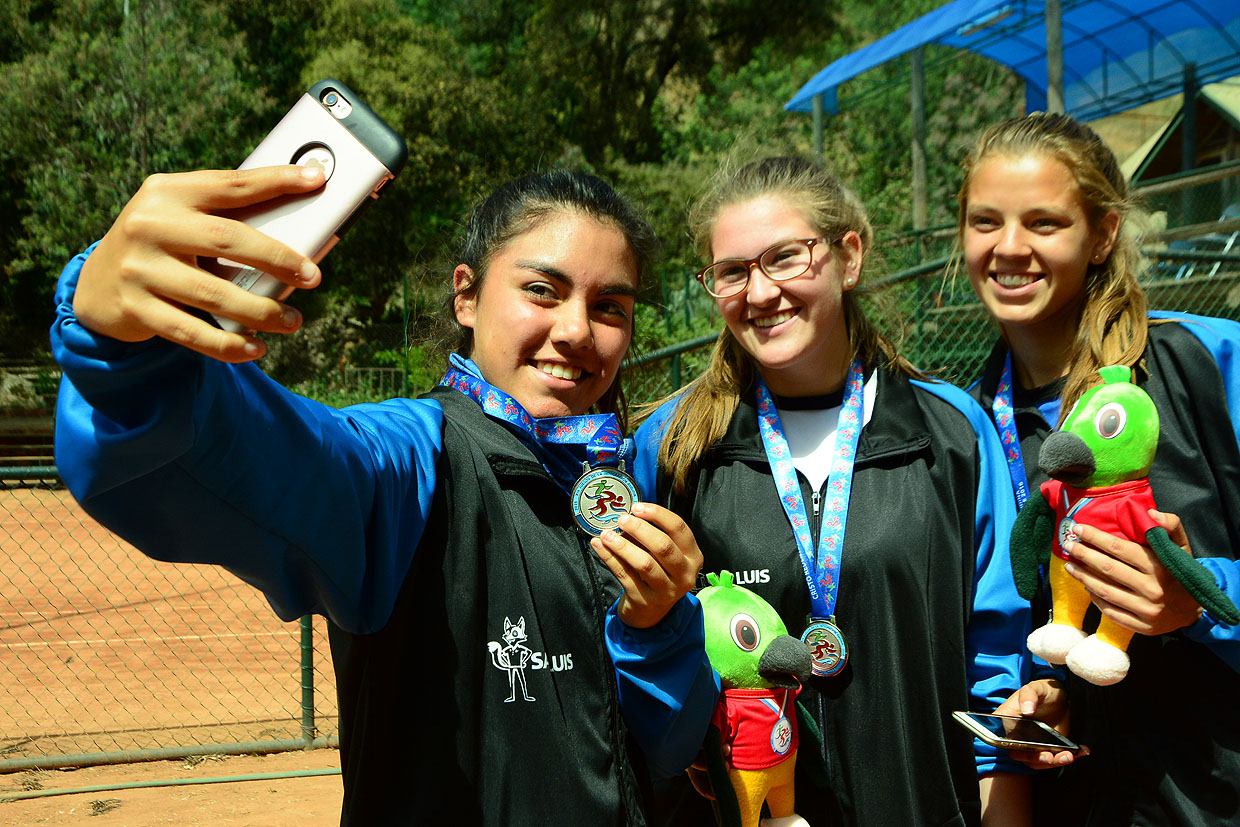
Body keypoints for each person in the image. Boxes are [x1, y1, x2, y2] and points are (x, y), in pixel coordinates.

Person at [50, 165, 718, 825]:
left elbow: (666, 748)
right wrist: (124, 351)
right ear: (466, 295)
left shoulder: (617, 479)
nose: (576, 329)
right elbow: (276, 456)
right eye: (543, 289)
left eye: (609, 306)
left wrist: (657, 627)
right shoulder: (414, 459)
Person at [629, 155, 1033, 826]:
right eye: (732, 272)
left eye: (786, 258)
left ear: (849, 256)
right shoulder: (674, 446)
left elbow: (998, 656)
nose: (759, 293)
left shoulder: (952, 431)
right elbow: (640, 644)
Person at [960, 111, 1240, 825]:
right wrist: (1049, 697)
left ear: (1103, 233)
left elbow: (1203, 607)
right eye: (985, 221)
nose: (1009, 248)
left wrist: (1203, 602)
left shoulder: (1209, 361)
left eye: (1044, 222)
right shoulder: (968, 426)